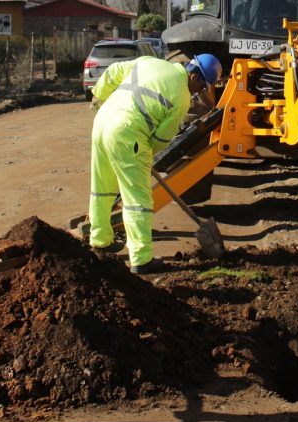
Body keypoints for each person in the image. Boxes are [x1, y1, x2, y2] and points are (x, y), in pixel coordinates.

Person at [88, 53, 222, 274]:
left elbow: (113, 71)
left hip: (102, 122)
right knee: (137, 199)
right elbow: (161, 139)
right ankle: (141, 258)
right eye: (201, 87)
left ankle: (100, 241)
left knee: (102, 188)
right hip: (128, 133)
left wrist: (99, 95)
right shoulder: (181, 98)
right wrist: (144, 153)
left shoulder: (149, 61)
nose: (199, 93)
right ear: (195, 77)